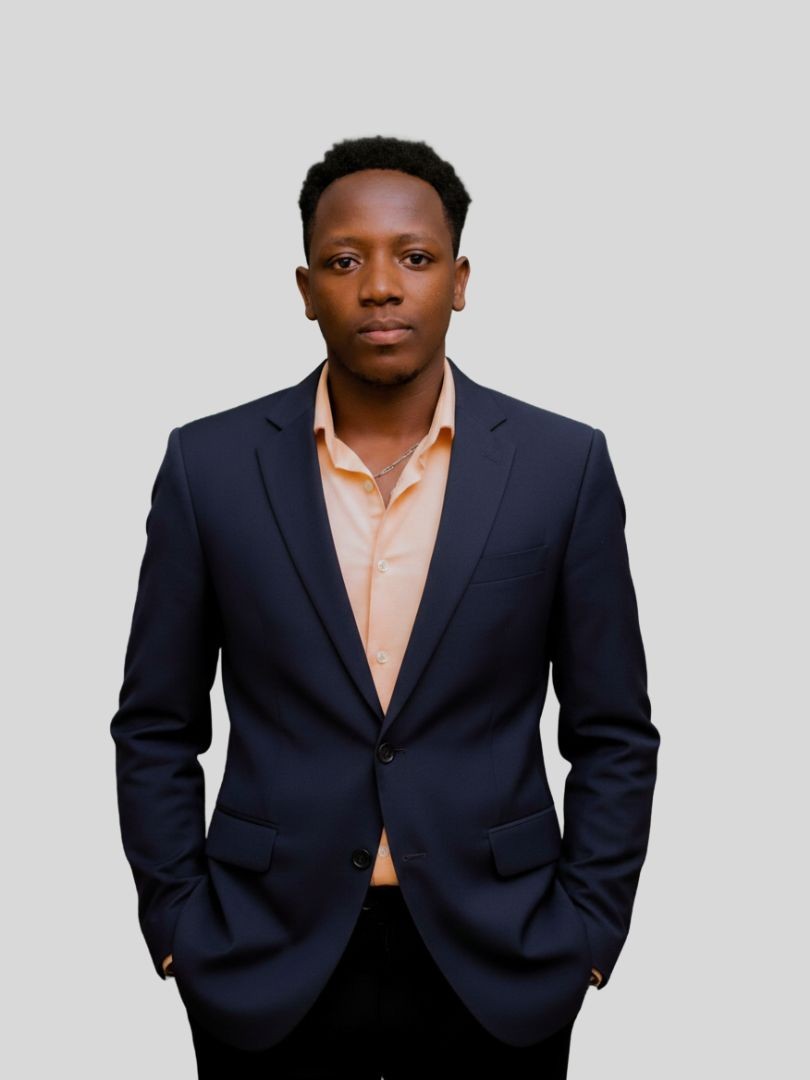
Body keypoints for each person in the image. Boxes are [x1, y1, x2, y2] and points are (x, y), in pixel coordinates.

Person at [110, 135, 660, 1078]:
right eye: (343, 261)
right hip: (262, 954)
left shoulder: (562, 466)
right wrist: (177, 927)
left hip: (503, 956)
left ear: (459, 280)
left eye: (413, 256)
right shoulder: (208, 467)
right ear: (304, 287)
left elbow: (613, 730)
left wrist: (589, 933)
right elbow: (156, 723)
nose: (378, 286)